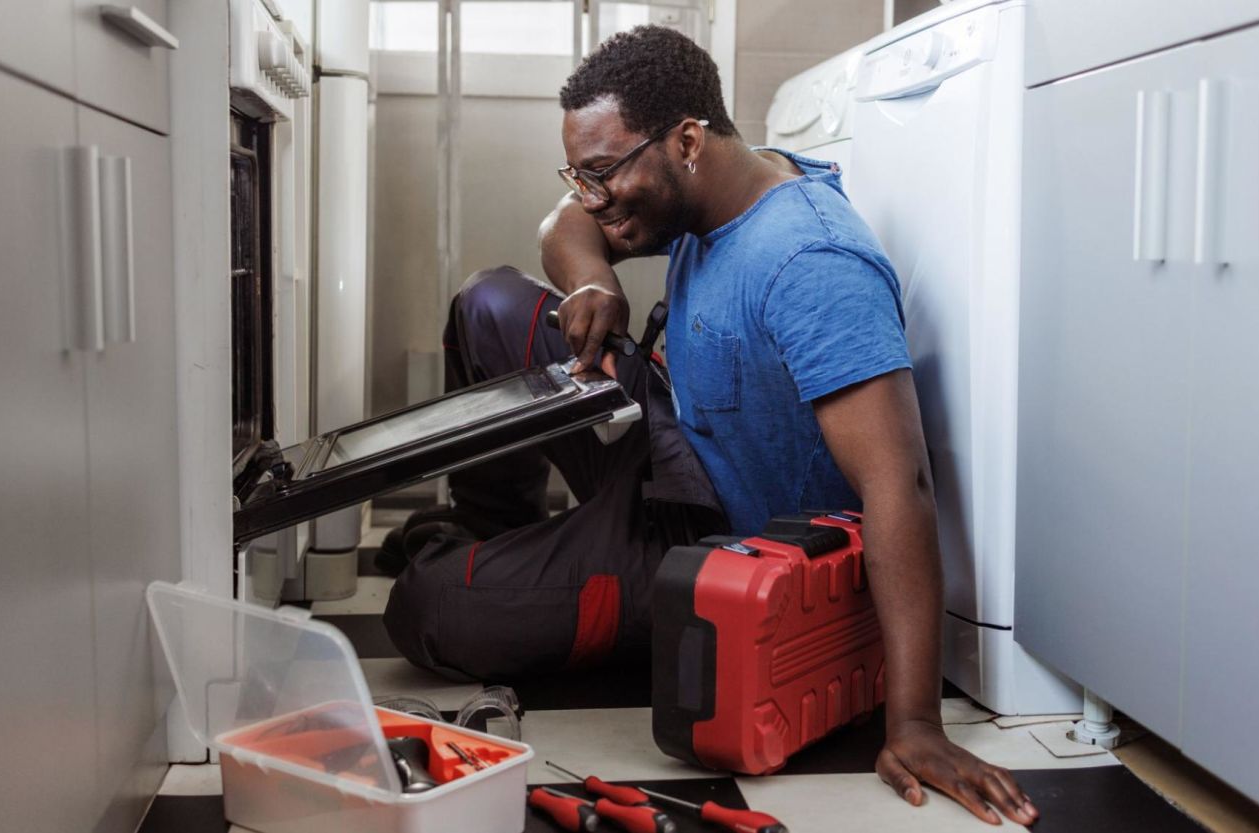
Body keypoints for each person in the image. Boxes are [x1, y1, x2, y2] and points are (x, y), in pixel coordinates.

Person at [383, 25, 1038, 826]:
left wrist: (915, 723)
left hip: (705, 540)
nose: (590, 196)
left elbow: (898, 484)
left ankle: (484, 562)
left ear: (687, 140)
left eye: (602, 173)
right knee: (489, 299)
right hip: (666, 435)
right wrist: (595, 282)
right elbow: (565, 222)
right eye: (579, 173)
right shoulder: (725, 176)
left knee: (431, 606)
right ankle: (499, 528)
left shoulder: (811, 264)